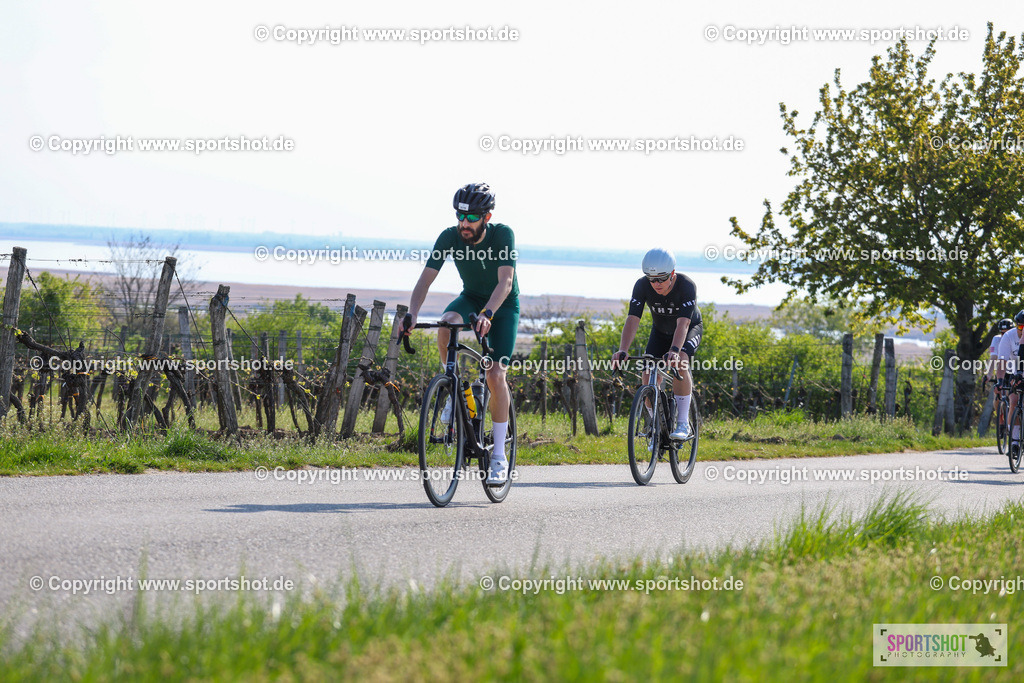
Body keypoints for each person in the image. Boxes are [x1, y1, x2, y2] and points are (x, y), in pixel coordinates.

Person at [403, 183, 519, 484]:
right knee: (446, 323)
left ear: (486, 217)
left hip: (502, 307)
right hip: (470, 298)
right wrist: (412, 313)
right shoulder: (449, 237)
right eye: (460, 216)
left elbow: (506, 282)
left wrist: (488, 314)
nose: (464, 223)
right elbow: (425, 280)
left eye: (472, 218)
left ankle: (499, 457)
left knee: (495, 375)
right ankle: (453, 387)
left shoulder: (502, 235)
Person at [612, 247, 702, 440]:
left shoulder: (686, 285)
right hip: (660, 332)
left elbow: (683, 324)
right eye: (651, 279)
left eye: (661, 278)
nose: (656, 284)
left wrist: (675, 350)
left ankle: (683, 423)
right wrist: (622, 350)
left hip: (688, 329)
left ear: (672, 273)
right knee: (647, 374)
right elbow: (633, 319)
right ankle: (656, 426)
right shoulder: (641, 285)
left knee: (680, 362)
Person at [997, 311, 1024, 452]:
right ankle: (1014, 441)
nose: (1023, 330)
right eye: (1020, 327)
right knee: (1013, 401)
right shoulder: (1008, 336)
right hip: (1016, 370)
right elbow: (1002, 361)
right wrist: (1000, 381)